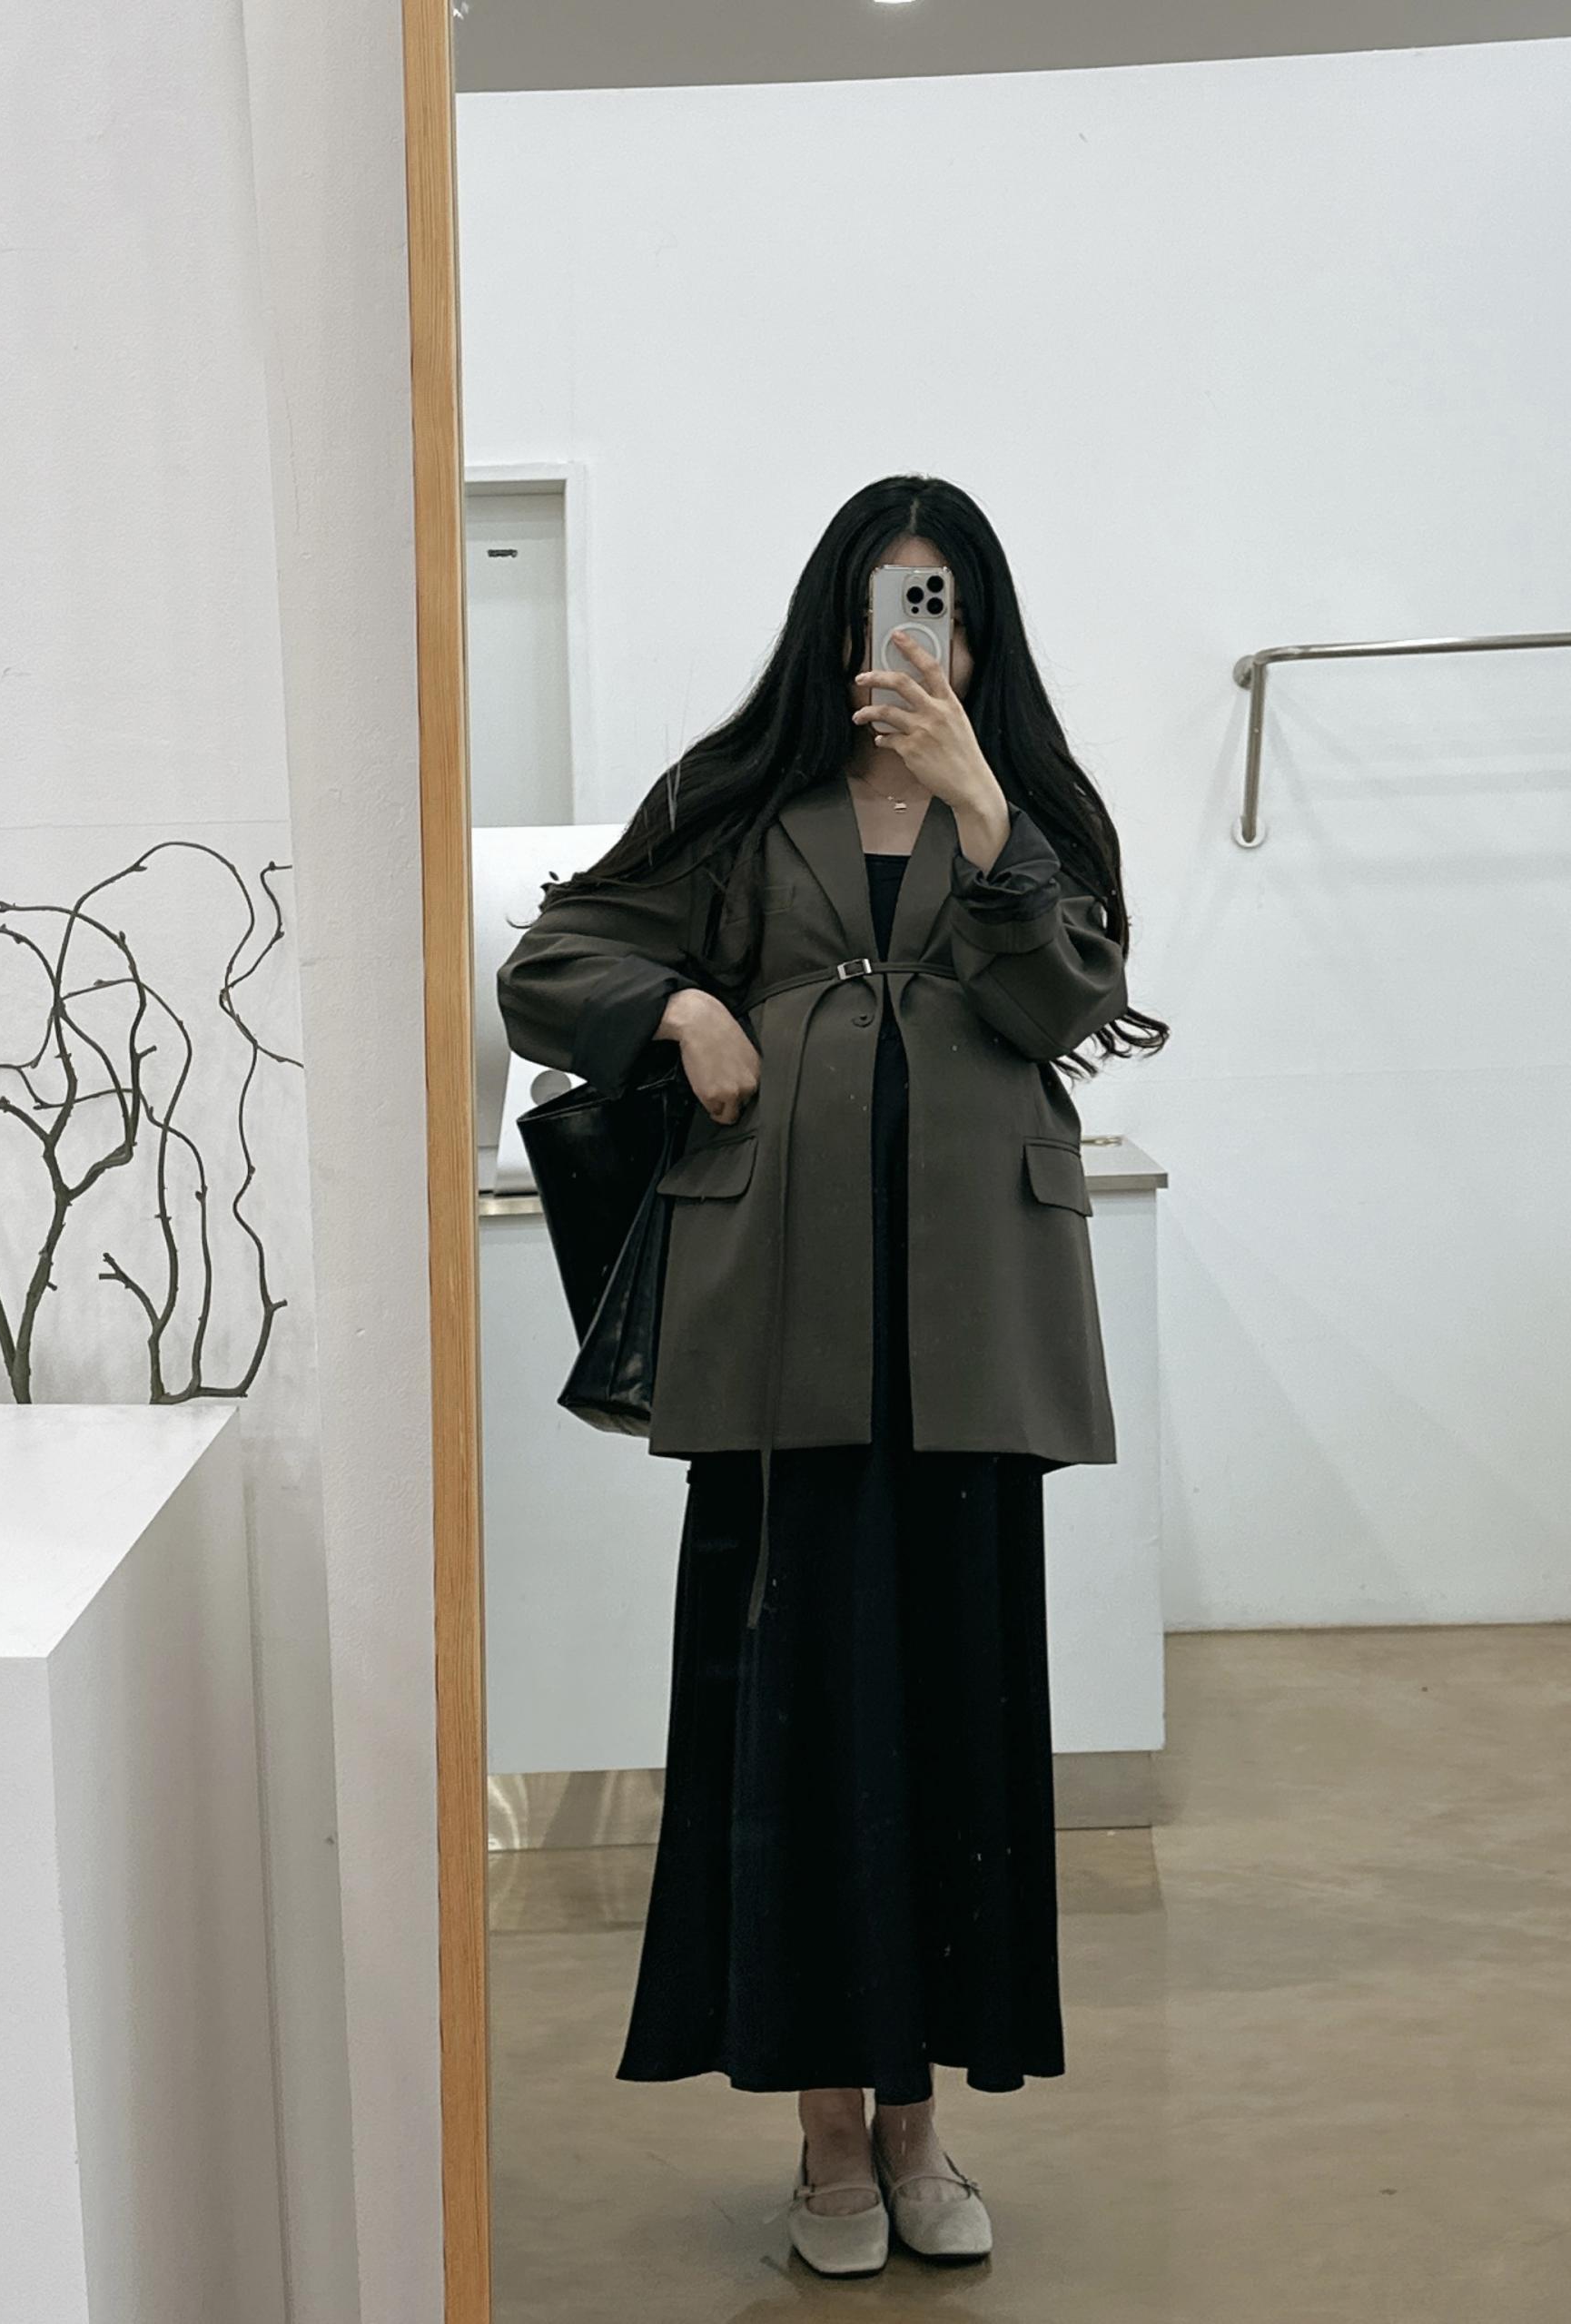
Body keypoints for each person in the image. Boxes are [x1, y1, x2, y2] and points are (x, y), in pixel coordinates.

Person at [497, 473, 1167, 2276]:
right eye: (889, 601)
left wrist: (982, 809)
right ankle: (823, 2140)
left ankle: (923, 2125)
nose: (915, 637)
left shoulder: (1037, 810)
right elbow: (551, 963)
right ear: (836, 622)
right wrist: (680, 1007)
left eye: (943, 603)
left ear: (980, 630)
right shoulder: (735, 801)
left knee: (953, 1733)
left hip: (974, 1336)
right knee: (798, 1737)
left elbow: (1068, 1003)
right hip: (778, 1330)